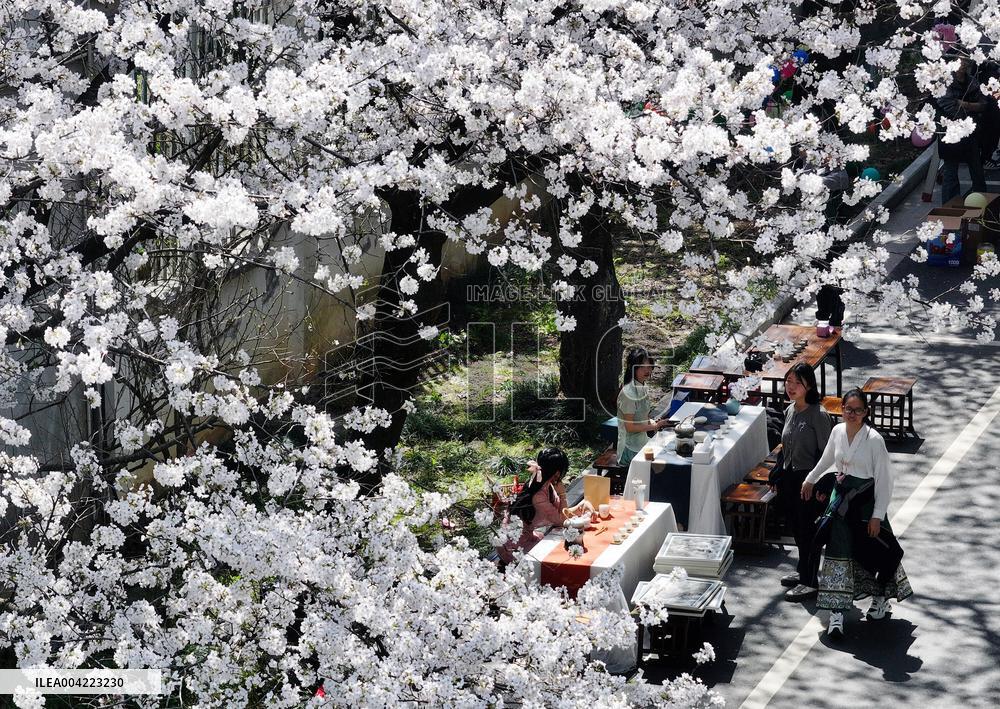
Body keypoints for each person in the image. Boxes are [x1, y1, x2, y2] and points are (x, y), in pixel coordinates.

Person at [801, 389, 912, 637]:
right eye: (848, 409)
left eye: (857, 410)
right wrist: (811, 479)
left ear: (866, 412)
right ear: (841, 409)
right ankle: (837, 613)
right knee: (837, 553)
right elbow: (827, 458)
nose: (852, 414)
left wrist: (877, 515)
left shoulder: (874, 440)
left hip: (865, 504)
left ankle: (880, 597)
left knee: (874, 552)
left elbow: (885, 480)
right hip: (840, 502)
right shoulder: (837, 431)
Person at [769, 363, 833, 601]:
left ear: (809, 385)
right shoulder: (790, 411)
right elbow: (785, 447)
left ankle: (810, 582)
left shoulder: (818, 414)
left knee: (808, 530)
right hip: (790, 478)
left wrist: (820, 484)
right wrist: (777, 471)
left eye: (797, 383)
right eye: (788, 382)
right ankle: (802, 571)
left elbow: (827, 453)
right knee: (795, 527)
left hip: (809, 480)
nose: (791, 387)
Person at [498, 447, 594, 564]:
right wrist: (562, 493)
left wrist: (580, 507)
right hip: (513, 548)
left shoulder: (543, 483)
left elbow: (561, 512)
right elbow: (561, 520)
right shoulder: (539, 495)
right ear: (557, 473)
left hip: (523, 537)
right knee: (561, 553)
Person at [938, 55, 988, 204]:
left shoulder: (972, 81)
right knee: (950, 171)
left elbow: (983, 104)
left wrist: (965, 104)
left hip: (970, 131)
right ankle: (950, 205)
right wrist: (970, 109)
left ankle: (982, 200)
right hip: (949, 131)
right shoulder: (945, 81)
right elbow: (948, 105)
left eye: (966, 61)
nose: (963, 65)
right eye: (960, 61)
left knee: (976, 167)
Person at [616, 346, 670, 466]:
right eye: (642, 367)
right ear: (632, 368)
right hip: (629, 449)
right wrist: (654, 426)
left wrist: (655, 422)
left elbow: (642, 419)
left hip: (642, 441)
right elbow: (630, 427)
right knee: (664, 462)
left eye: (649, 366)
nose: (647, 370)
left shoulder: (642, 387)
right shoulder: (628, 393)